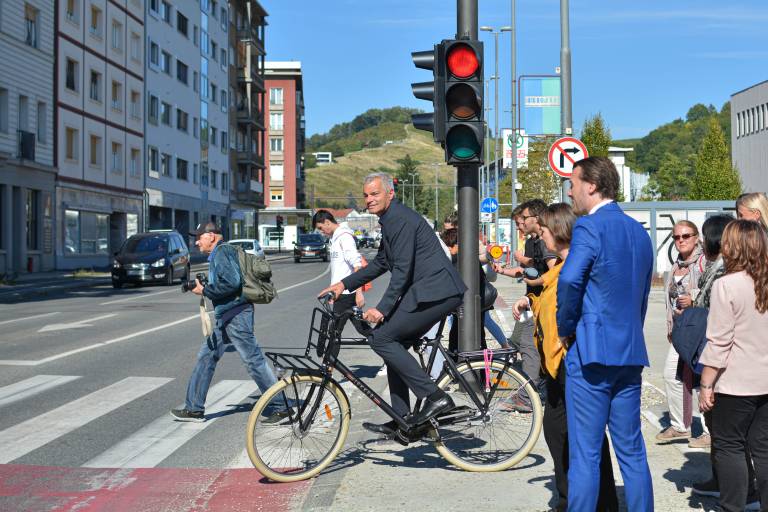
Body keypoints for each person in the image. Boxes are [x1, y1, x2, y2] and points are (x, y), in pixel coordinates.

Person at [319, 173, 466, 437]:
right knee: (390, 344)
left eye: (375, 194)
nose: (369, 199)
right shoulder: (390, 220)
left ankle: (436, 397)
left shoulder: (400, 219)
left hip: (437, 292)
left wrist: (382, 308)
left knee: (382, 339)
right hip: (427, 292)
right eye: (366, 195)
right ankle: (403, 420)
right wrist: (343, 284)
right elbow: (381, 263)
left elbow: (402, 270)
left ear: (390, 193)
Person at [556, 156, 654, 511]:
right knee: (632, 450)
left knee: (585, 454)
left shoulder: (588, 227)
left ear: (592, 185)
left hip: (591, 353)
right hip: (629, 351)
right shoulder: (638, 232)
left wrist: (565, 328)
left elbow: (569, 280)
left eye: (573, 184)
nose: (570, 192)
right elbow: (642, 293)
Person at [511, 203, 618, 512]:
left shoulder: (576, 267)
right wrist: (529, 300)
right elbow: (548, 292)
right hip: (555, 365)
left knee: (584, 436)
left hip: (572, 362)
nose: (540, 236)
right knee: (558, 431)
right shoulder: (560, 266)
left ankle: (599, 502)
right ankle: (569, 499)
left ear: (557, 232)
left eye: (544, 230)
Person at [171, 222, 282, 423]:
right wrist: (208, 286)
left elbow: (232, 283)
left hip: (236, 315)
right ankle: (194, 408)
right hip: (228, 315)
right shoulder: (223, 252)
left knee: (253, 360)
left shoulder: (221, 252)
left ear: (212, 236)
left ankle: (281, 405)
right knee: (207, 356)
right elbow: (228, 281)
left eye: (199, 237)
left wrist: (205, 290)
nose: (196, 242)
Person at [699, 219, 768, 512]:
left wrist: (706, 384)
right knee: (763, 448)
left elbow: (719, 342)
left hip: (735, 382)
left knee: (730, 446)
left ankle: (733, 507)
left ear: (734, 247)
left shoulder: (726, 285)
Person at [494, 199, 557, 412]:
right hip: (530, 299)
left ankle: (526, 397)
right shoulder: (533, 242)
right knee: (519, 341)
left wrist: (528, 269)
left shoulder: (544, 241)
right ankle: (536, 387)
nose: (520, 225)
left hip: (538, 302)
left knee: (529, 346)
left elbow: (552, 273)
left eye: (522, 220)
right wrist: (504, 270)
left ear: (536, 218)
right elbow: (529, 270)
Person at [656, 220, 708, 446]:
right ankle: (680, 426)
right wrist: (670, 328)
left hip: (699, 332)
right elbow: (670, 302)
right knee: (671, 375)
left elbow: (713, 291)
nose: (681, 240)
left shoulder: (704, 263)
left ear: (696, 238)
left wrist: (694, 299)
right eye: (676, 237)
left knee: (702, 379)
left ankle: (709, 431)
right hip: (681, 332)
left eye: (686, 236)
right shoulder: (676, 266)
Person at [443, 214, 510, 350]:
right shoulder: (455, 248)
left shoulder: (467, 242)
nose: (447, 232)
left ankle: (503, 345)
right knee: (463, 324)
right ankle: (495, 348)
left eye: (449, 229)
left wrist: (475, 257)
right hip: (469, 291)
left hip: (475, 288)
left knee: (482, 322)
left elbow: (485, 255)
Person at [313, 209, 365, 334]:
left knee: (334, 332)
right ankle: (381, 340)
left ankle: (383, 340)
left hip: (346, 294)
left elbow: (357, 265)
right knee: (361, 328)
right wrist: (332, 291)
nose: (321, 231)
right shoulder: (335, 238)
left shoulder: (344, 237)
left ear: (327, 222)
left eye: (320, 228)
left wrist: (359, 293)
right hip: (341, 293)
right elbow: (339, 270)